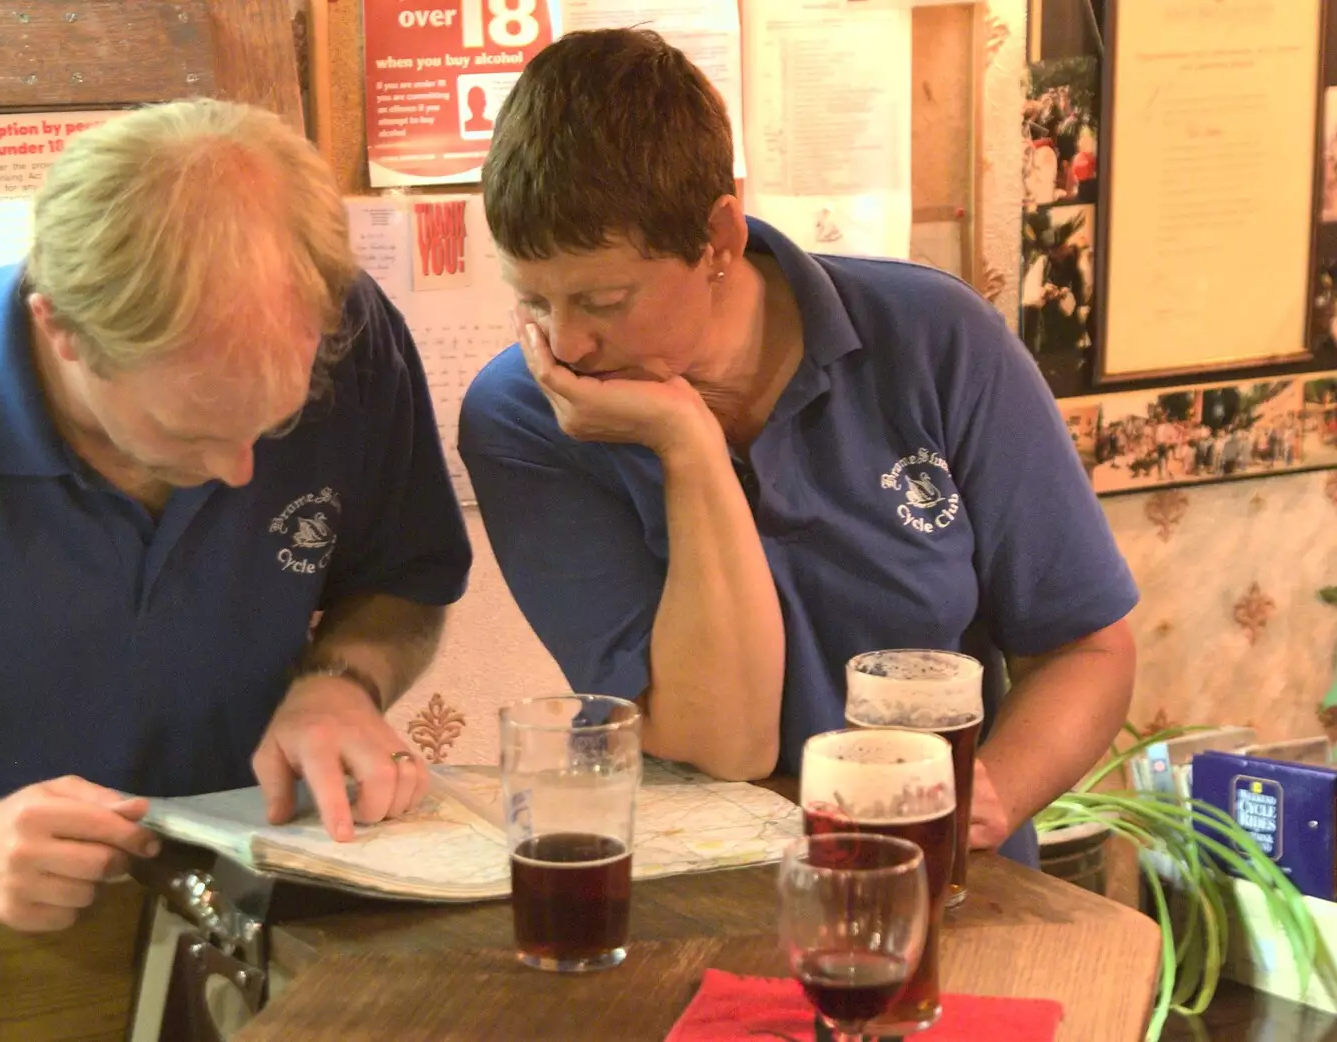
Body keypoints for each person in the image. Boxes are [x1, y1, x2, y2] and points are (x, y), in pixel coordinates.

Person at [0, 98, 471, 930]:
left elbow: (404, 580)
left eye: (273, 426)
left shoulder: (356, 334)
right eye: (187, 431)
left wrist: (342, 681)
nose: (239, 473)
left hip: (258, 882)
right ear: (59, 330)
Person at [460, 30, 1137, 868]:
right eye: (532, 299)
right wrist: (688, 445)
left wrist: (995, 787)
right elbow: (722, 744)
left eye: (604, 299)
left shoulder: (935, 339)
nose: (566, 343)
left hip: (948, 885)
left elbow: (1086, 647)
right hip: (705, 896)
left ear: (718, 238)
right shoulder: (523, 417)